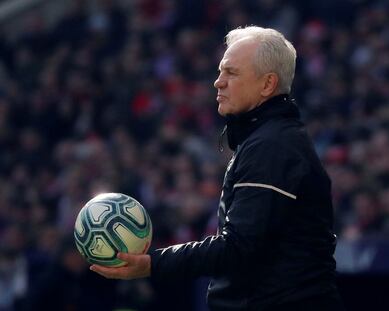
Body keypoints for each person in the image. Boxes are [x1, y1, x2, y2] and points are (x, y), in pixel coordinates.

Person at [90, 25, 346, 311]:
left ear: (267, 84)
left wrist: (153, 264)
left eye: (232, 73)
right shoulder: (267, 139)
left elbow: (238, 247)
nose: (218, 82)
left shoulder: (273, 146)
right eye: (221, 71)